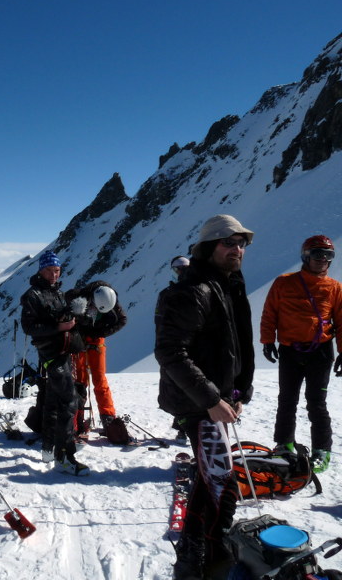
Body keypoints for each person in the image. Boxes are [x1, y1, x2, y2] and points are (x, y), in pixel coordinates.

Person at [155, 215, 255, 578]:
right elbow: (170, 352)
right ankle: (198, 559)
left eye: (241, 243)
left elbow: (238, 342)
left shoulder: (228, 284)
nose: (237, 249)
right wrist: (212, 399)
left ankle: (207, 552)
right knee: (221, 482)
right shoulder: (193, 290)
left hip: (215, 399)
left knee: (212, 478)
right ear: (208, 247)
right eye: (229, 243)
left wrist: (240, 389)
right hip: (197, 403)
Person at [260, 235, 342, 473]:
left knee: (317, 403)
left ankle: (321, 450)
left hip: (321, 352)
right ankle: (283, 444)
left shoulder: (335, 288)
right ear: (305, 256)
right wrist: (267, 340)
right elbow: (270, 313)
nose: (323, 259)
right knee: (287, 400)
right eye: (317, 254)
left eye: (328, 255)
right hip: (290, 350)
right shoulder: (283, 282)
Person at [21, 250, 89, 476]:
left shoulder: (56, 292)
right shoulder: (33, 295)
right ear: (41, 269)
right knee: (68, 401)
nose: (54, 274)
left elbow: (57, 317)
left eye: (57, 270)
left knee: (52, 399)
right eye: (50, 270)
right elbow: (29, 327)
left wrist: (72, 316)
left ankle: (50, 447)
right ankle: (65, 456)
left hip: (62, 351)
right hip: (51, 353)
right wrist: (59, 327)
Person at [65, 281, 127, 430]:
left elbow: (122, 320)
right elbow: (67, 301)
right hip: (79, 340)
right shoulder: (79, 296)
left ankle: (108, 417)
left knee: (98, 378)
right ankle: (77, 416)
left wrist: (100, 333)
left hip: (96, 340)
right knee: (80, 380)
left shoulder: (111, 300)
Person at [168, 255, 191, 443]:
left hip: (188, 347)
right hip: (178, 347)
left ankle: (184, 428)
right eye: (178, 269)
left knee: (186, 387)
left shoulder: (195, 290)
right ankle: (182, 427)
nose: (181, 273)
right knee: (180, 388)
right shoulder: (170, 293)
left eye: (183, 269)